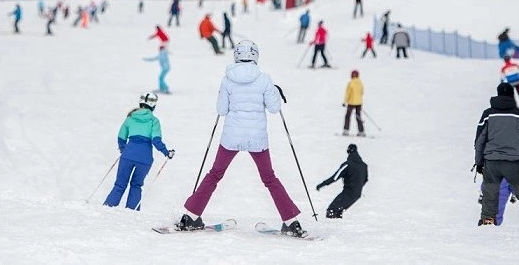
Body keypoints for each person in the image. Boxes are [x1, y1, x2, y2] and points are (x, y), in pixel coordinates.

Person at [177, 40, 306, 237]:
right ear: (255, 55)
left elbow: (221, 110)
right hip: (256, 138)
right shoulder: (264, 79)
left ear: (236, 55)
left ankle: (191, 216)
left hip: (232, 136)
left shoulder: (227, 79)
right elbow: (274, 108)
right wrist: (275, 92)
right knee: (269, 178)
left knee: (214, 174)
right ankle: (291, 222)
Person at [474, 83, 519, 229]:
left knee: (490, 194)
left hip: (491, 163)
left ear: (498, 94)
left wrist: (479, 162)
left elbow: (480, 140)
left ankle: (487, 219)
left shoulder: (488, 114)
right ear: (512, 95)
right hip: (513, 163)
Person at [104, 93, 175, 210]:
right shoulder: (154, 121)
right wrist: (167, 152)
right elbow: (156, 140)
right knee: (136, 185)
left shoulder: (130, 118)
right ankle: (131, 212)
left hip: (128, 156)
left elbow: (121, 137)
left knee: (120, 184)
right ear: (153, 106)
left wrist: (124, 150)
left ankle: (107, 208)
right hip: (144, 159)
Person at [316, 143, 368, 218]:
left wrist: (322, 184)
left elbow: (335, 177)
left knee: (331, 210)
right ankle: (338, 223)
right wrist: (357, 187)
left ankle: (331, 225)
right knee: (338, 211)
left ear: (348, 151)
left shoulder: (347, 164)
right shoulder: (364, 166)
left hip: (348, 192)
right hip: (357, 194)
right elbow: (365, 180)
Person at [342, 70, 365, 136]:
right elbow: (362, 92)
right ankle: (361, 131)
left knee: (348, 116)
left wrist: (344, 102)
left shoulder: (350, 83)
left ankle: (346, 130)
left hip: (351, 102)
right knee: (358, 116)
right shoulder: (360, 83)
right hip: (359, 103)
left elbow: (348, 93)